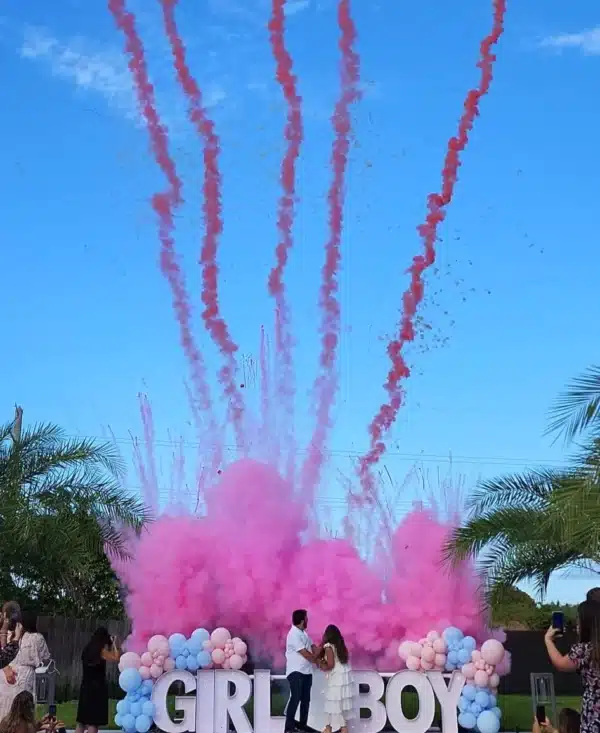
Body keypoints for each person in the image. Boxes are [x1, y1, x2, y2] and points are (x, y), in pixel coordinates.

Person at [545, 600, 600, 733]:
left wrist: (548, 640)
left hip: (593, 717)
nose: (577, 623)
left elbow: (560, 663)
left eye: (579, 619)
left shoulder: (585, 650)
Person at [0, 611, 51, 721]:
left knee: (4, 708)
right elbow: (45, 658)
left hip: (5, 675)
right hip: (24, 677)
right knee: (22, 711)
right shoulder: (37, 638)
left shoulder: (9, 636)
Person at [75, 628, 120, 733]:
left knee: (81, 722)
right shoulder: (101, 651)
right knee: (93, 722)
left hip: (85, 687)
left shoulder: (86, 650)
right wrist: (114, 643)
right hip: (97, 689)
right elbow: (116, 657)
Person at [317, 625, 356, 733]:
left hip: (337, 678)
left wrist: (321, 664)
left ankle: (341, 728)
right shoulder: (341, 646)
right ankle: (328, 727)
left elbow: (330, 665)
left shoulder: (328, 646)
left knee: (335, 703)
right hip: (343, 677)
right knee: (336, 703)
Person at [285, 610, 318, 733]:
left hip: (307, 672)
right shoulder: (293, 634)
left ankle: (302, 725)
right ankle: (289, 727)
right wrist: (318, 661)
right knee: (296, 697)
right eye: (307, 618)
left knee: (305, 700)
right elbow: (306, 653)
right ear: (303, 620)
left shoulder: (304, 634)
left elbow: (314, 647)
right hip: (296, 672)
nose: (308, 620)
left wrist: (327, 648)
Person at [0, 691, 64, 733]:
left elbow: (32, 728)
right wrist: (50, 730)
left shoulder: (6, 721)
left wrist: (41, 723)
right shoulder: (23, 724)